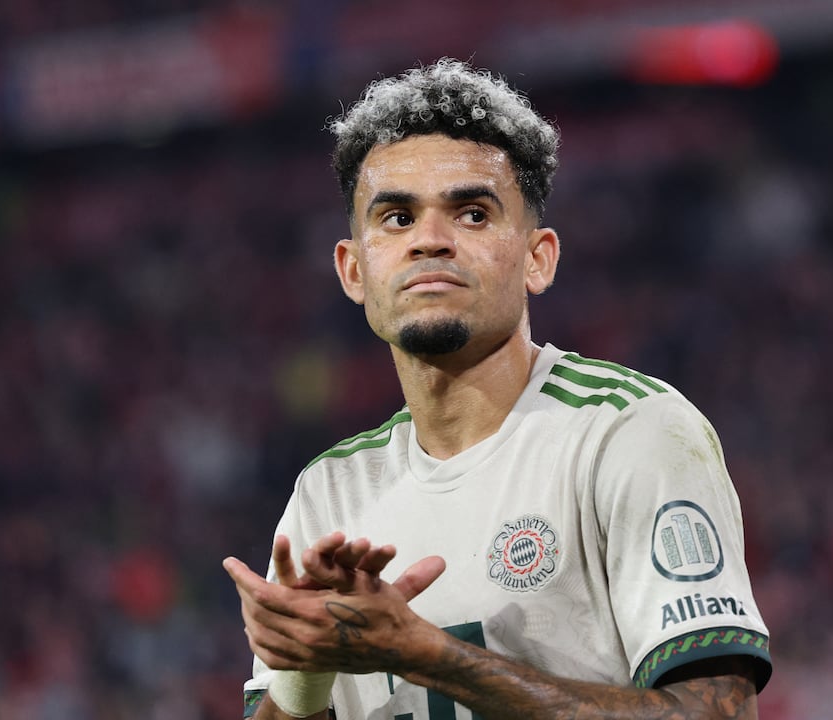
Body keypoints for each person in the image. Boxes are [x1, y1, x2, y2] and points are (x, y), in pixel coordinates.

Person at [222, 58, 772, 720]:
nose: (430, 240)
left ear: (538, 259)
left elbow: (719, 713)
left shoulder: (631, 433)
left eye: (472, 213)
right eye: (396, 218)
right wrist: (303, 676)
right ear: (354, 270)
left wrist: (429, 657)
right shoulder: (328, 493)